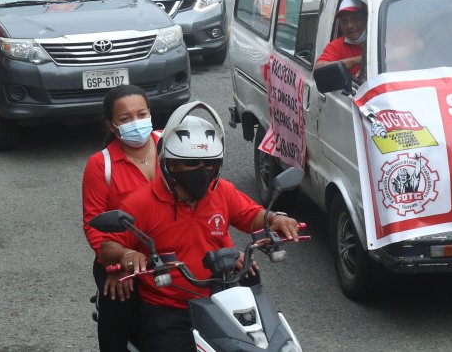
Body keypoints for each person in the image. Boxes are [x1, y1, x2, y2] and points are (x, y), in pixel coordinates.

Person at [97, 103, 300, 352]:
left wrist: (275, 219)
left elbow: (251, 215)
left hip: (222, 298)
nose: (202, 170)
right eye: (192, 164)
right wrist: (126, 254)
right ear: (170, 164)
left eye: (209, 163)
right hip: (170, 308)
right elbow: (107, 246)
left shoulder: (221, 191)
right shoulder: (141, 202)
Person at [82, 86, 161, 352]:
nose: (136, 123)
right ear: (112, 125)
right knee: (117, 309)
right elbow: (94, 225)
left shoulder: (171, 145)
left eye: (141, 114)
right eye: (126, 119)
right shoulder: (100, 165)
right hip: (122, 262)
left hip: (173, 253)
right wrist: (117, 264)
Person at [316, 0, 368, 77]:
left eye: (355, 19)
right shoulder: (336, 46)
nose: (349, 25)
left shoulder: (378, 39)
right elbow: (318, 69)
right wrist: (358, 60)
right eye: (344, 21)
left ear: (365, 20)